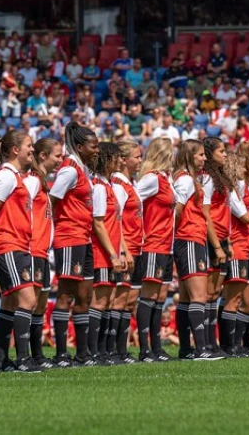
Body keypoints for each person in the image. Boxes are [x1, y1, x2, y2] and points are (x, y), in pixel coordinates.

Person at [0, 130, 42, 373]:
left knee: (10, 302)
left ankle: (2, 360)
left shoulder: (17, 178)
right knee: (28, 300)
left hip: (18, 243)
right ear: (15, 150)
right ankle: (23, 359)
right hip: (8, 244)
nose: (32, 150)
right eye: (29, 146)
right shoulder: (6, 177)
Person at [49, 123, 100, 367]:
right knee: (66, 294)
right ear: (79, 147)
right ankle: (61, 354)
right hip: (69, 237)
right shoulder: (69, 170)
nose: (97, 149)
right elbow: (52, 200)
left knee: (84, 296)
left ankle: (82, 353)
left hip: (84, 237)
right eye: (94, 146)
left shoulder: (82, 169)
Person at [173, 140, 223, 360]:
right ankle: (201, 348)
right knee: (199, 296)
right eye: (200, 155)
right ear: (189, 156)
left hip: (191, 238)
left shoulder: (189, 179)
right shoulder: (185, 181)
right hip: (190, 238)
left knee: (186, 298)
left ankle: (186, 349)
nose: (204, 158)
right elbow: (177, 211)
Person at [132, 139, 175, 362]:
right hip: (153, 243)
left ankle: (156, 347)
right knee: (148, 296)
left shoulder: (166, 179)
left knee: (159, 297)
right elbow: (132, 201)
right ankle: (144, 349)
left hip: (166, 244)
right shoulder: (151, 179)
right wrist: (141, 230)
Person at [22, 138, 61, 369]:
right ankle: (26, 355)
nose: (59, 160)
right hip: (33, 248)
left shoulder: (42, 182)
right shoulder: (32, 181)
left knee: (40, 304)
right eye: (57, 155)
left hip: (43, 250)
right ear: (43, 155)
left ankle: (37, 354)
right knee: (31, 302)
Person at [86, 142, 125, 365]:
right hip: (101, 252)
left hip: (110, 251)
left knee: (107, 302)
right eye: (116, 157)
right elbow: (98, 223)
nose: (120, 161)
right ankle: (94, 351)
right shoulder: (99, 187)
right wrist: (112, 254)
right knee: (99, 302)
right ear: (107, 159)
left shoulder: (107, 185)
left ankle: (102, 350)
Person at [222, 144, 249, 356]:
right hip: (236, 245)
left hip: (245, 246)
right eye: (242, 167)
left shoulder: (244, 187)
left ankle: (236, 343)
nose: (246, 170)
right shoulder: (231, 190)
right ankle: (230, 345)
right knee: (233, 299)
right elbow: (246, 216)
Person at [110, 140, 143, 364]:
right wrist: (123, 251)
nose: (140, 160)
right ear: (123, 160)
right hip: (126, 248)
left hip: (135, 247)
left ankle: (121, 350)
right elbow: (116, 221)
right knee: (119, 301)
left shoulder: (129, 184)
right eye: (137, 156)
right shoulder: (119, 186)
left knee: (128, 302)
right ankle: (114, 350)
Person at [200, 137, 233, 355]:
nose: (225, 154)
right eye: (221, 151)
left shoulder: (220, 177)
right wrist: (217, 245)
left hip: (221, 238)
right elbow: (206, 214)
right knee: (209, 293)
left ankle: (213, 342)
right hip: (211, 239)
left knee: (215, 293)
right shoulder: (207, 179)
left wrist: (226, 241)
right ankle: (206, 342)